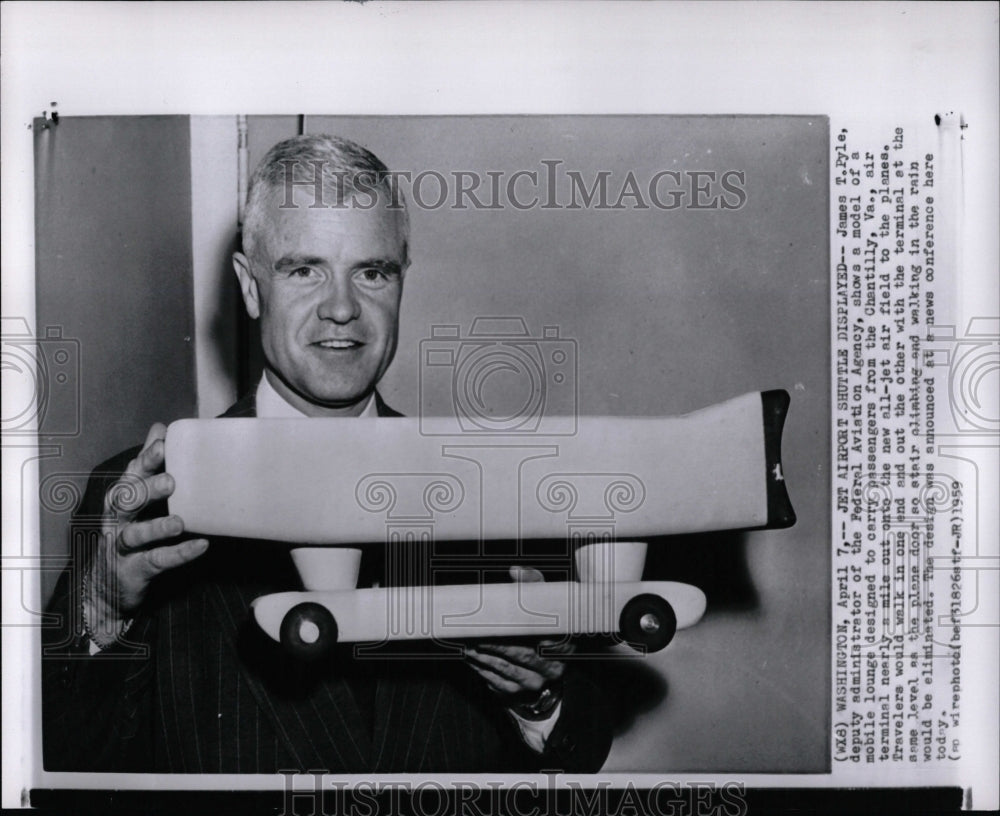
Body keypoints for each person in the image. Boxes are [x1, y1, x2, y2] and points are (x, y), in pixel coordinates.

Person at [42, 134, 613, 773]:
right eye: (304, 269)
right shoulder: (149, 495)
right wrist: (101, 611)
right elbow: (67, 763)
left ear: (401, 283)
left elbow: (581, 750)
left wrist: (538, 698)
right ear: (251, 287)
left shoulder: (496, 487)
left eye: (371, 272)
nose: (342, 309)